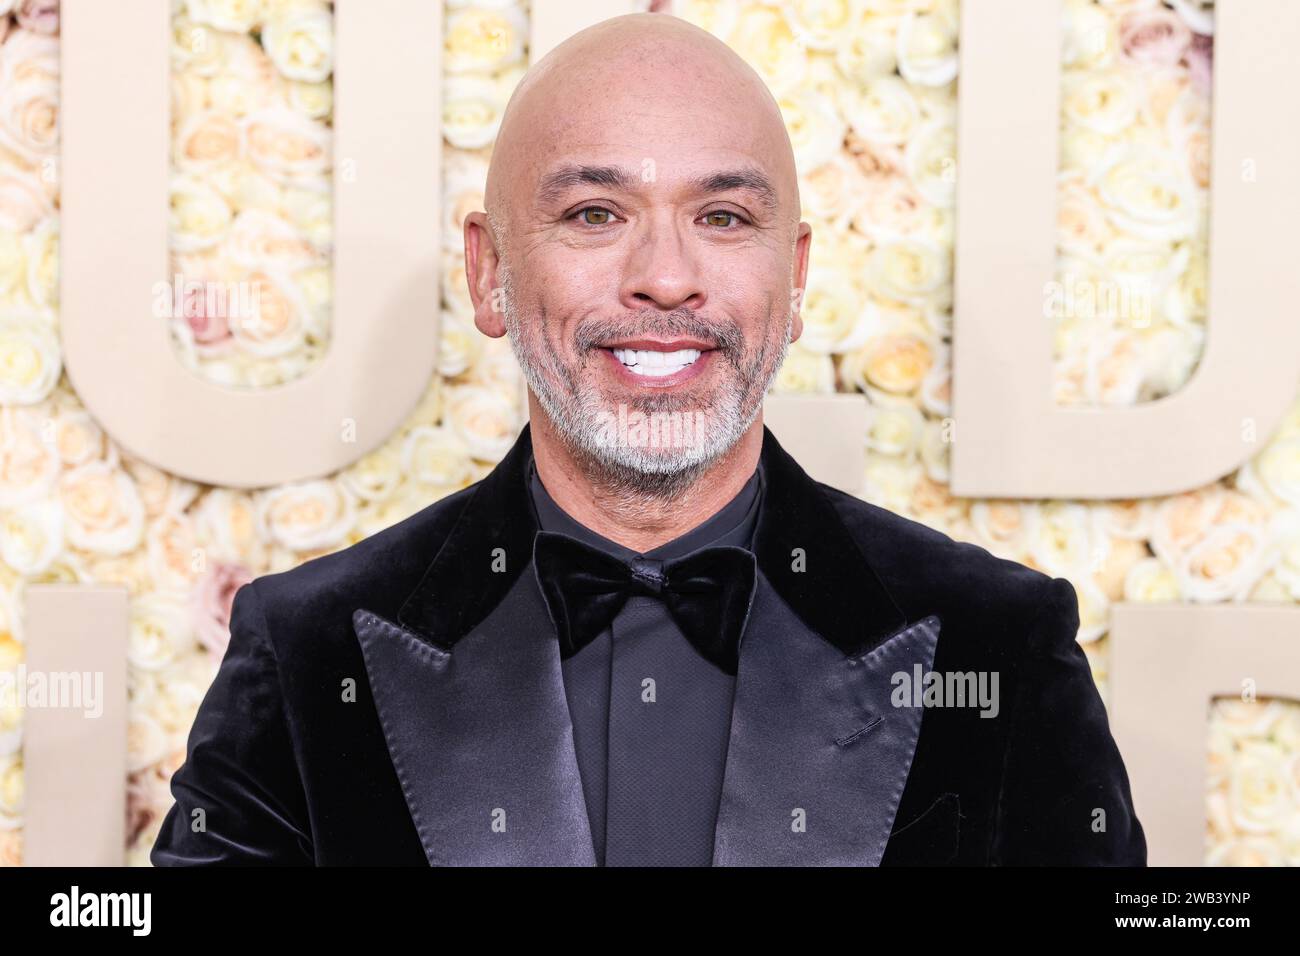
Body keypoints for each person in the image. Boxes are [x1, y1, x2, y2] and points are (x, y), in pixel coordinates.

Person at [151, 13, 1145, 866]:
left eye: (721, 215)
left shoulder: (999, 645)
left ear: (793, 277)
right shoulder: (306, 652)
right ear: (489, 270)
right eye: (594, 212)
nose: (666, 278)